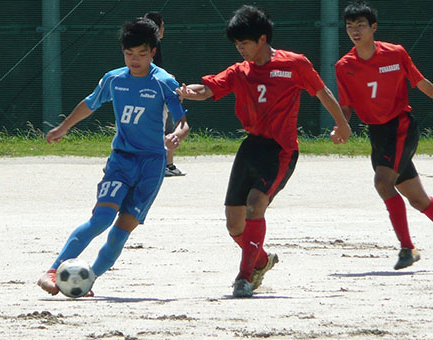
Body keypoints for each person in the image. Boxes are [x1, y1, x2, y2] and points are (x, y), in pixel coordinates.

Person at [177, 5, 351, 297]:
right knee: (234, 224)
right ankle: (261, 261)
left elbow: (323, 91)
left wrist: (342, 125)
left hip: (280, 150)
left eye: (244, 43)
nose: (240, 49)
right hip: (251, 148)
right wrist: (189, 92)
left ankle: (244, 278)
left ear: (262, 39)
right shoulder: (240, 71)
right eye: (236, 44)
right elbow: (208, 89)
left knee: (255, 204)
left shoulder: (294, 63)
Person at [37, 18, 187, 296]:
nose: (135, 59)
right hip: (121, 161)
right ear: (122, 51)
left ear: (153, 51)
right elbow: (90, 103)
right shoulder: (114, 79)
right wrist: (64, 127)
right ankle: (52, 271)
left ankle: (88, 278)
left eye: (142, 54)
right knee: (101, 218)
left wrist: (177, 135)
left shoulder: (164, 82)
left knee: (120, 233)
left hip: (151, 166)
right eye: (129, 54)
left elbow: (183, 122)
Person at [335, 1, 433, 270]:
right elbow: (345, 107)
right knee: (418, 200)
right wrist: (340, 125)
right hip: (377, 134)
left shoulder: (395, 53)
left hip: (400, 126)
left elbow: (421, 83)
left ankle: (406, 248)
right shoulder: (344, 65)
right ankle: (408, 249)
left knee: (382, 183)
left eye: (361, 25)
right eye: (350, 26)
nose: (355, 31)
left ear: (373, 27)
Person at [144, 11, 190, 177]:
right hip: (156, 91)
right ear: (157, 27)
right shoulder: (153, 43)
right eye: (163, 26)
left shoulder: (146, 44)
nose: (164, 29)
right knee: (167, 125)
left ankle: (167, 165)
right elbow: (152, 70)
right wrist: (167, 78)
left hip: (152, 89)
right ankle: (166, 165)